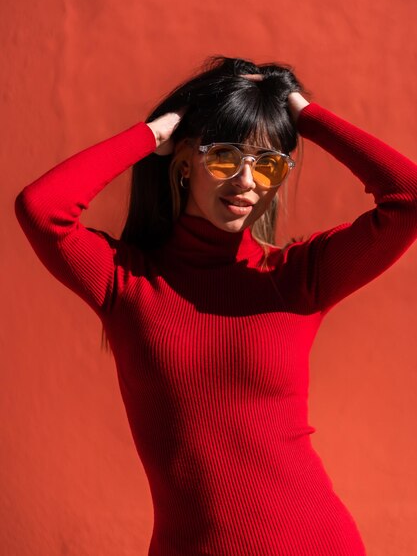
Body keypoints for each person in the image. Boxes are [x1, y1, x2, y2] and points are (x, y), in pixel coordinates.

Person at [14, 55, 417, 556]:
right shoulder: (127, 281)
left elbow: (409, 197)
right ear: (184, 162)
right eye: (226, 157)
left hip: (316, 540)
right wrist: (155, 132)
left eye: (269, 164)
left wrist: (299, 110)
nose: (248, 181)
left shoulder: (295, 277)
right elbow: (41, 208)